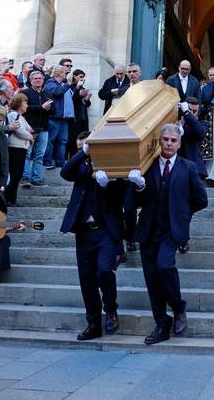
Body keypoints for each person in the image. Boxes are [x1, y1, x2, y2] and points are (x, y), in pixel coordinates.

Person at [130, 124, 208, 344]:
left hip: (171, 231)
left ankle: (178, 307)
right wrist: (138, 187)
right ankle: (162, 326)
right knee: (152, 279)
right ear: (159, 141)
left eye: (174, 140)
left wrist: (183, 214)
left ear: (179, 143)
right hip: (148, 229)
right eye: (166, 139)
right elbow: (136, 201)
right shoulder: (148, 166)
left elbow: (201, 200)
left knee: (165, 267)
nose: (170, 144)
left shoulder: (188, 168)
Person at [59, 135, 126, 340]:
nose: (83, 151)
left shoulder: (111, 162)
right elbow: (65, 172)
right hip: (84, 230)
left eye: (87, 146)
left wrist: (107, 185)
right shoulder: (80, 166)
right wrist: (83, 153)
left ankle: (111, 309)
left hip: (106, 228)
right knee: (86, 279)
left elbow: (123, 193)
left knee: (104, 270)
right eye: (80, 148)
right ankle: (93, 323)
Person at [20, 71, 52, 187]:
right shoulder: (25, 93)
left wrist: (48, 109)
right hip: (30, 128)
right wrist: (41, 107)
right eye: (35, 78)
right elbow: (24, 109)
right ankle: (25, 177)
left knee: (40, 154)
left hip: (44, 128)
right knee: (27, 153)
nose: (38, 80)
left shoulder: (47, 93)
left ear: (43, 80)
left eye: (40, 78)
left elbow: (54, 111)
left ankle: (36, 177)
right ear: (31, 80)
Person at [3, 93, 34, 207]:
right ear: (20, 103)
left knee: (18, 175)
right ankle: (7, 199)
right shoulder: (13, 115)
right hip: (14, 148)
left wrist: (29, 134)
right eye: (25, 103)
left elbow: (30, 129)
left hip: (22, 149)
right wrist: (30, 137)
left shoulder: (22, 117)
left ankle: (13, 200)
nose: (27, 105)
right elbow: (20, 131)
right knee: (13, 174)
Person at [43, 66, 73, 169]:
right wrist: (68, 84)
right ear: (59, 73)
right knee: (50, 140)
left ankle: (61, 163)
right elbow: (57, 92)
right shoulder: (50, 83)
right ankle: (47, 162)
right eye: (65, 72)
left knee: (63, 141)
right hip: (54, 117)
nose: (66, 74)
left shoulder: (62, 84)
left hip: (63, 118)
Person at [179, 97, 207, 179]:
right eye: (190, 110)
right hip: (178, 166)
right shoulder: (177, 122)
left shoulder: (202, 124)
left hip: (195, 168)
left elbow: (200, 132)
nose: (192, 113)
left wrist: (187, 113)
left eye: (195, 111)